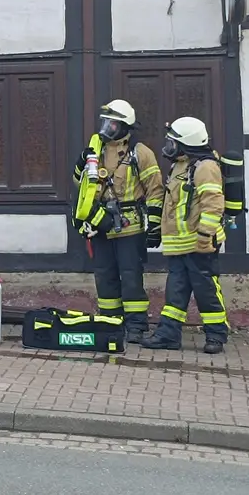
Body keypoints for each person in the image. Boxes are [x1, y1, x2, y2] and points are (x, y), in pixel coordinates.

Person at [72, 100, 165, 344]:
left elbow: (155, 191)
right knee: (105, 276)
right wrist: (82, 163)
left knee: (131, 276)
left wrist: (154, 226)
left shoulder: (140, 153)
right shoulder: (96, 148)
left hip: (129, 227)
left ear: (125, 126)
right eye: (106, 122)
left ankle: (136, 325)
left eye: (113, 123)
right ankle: (111, 322)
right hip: (100, 224)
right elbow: (80, 185)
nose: (107, 127)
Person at [142, 116, 228, 353]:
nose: (168, 146)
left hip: (200, 244)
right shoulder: (180, 165)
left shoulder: (206, 167)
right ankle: (169, 334)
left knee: (206, 291)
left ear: (187, 143)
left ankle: (216, 336)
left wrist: (204, 235)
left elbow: (212, 204)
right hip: (180, 244)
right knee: (175, 293)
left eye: (173, 142)